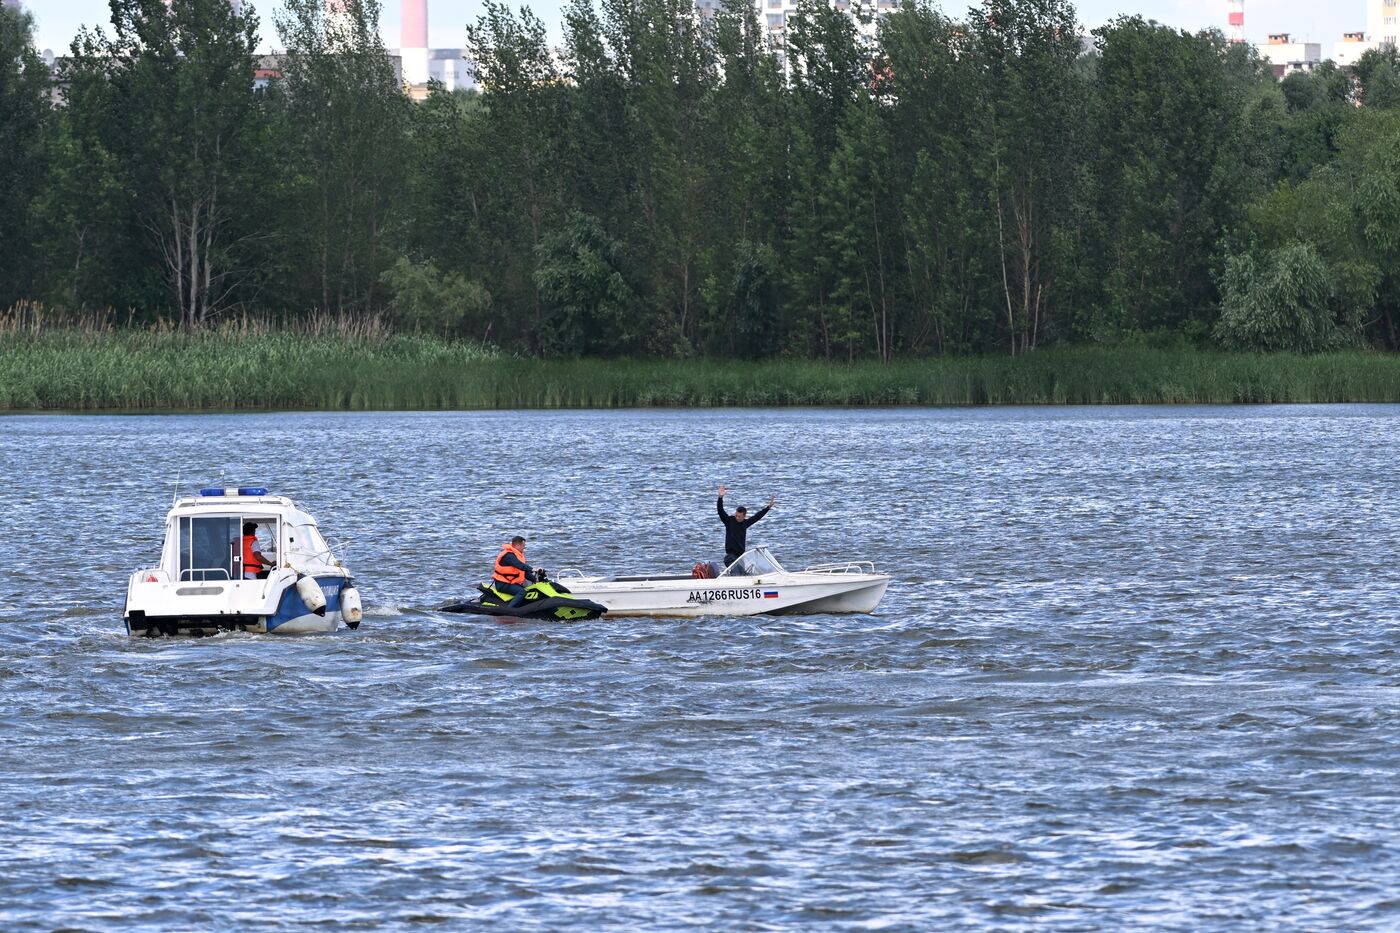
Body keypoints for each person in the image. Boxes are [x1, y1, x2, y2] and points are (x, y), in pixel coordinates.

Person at [717, 485, 775, 571]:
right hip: (730, 556)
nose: (737, 517)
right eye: (736, 515)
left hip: (740, 556)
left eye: (739, 516)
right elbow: (720, 511)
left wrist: (768, 507)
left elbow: (757, 516)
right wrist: (720, 497)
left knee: (743, 574)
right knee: (737, 573)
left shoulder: (745, 523)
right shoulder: (729, 521)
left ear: (744, 516)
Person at [493, 536, 535, 608]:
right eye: (523, 546)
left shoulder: (516, 555)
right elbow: (520, 565)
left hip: (510, 582)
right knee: (522, 591)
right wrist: (533, 569)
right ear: (517, 545)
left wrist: (536, 580)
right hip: (502, 584)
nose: (524, 548)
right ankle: (510, 609)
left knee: (530, 588)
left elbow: (523, 572)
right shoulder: (509, 556)